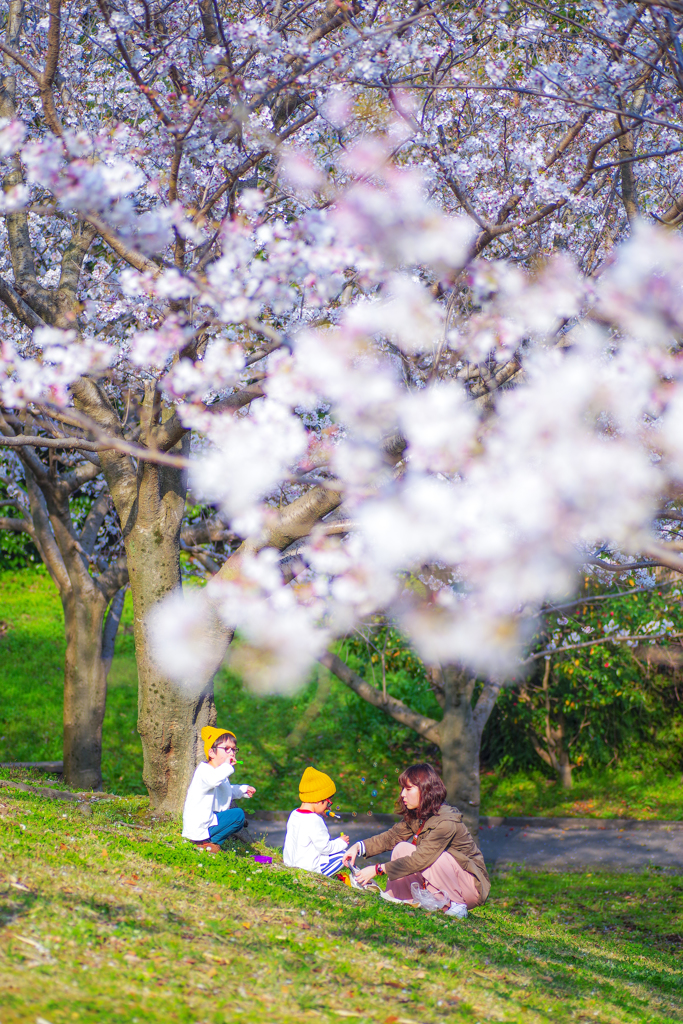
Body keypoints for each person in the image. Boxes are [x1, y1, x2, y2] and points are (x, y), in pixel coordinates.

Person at [343, 763, 490, 917]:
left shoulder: (446, 822)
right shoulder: (419, 815)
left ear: (425, 790)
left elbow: (421, 859)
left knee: (433, 856)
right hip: (445, 878)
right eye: (402, 789)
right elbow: (391, 837)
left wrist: (377, 869)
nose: (402, 795)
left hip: (469, 887)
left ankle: (454, 905)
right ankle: (397, 899)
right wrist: (358, 847)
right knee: (401, 848)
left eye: (408, 789)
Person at [182, 726, 255, 853]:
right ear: (211, 753)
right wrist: (227, 766)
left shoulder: (219, 773)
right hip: (199, 825)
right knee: (238, 814)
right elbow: (213, 781)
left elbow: (226, 790)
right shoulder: (204, 771)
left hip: (209, 821)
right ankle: (202, 841)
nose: (231, 753)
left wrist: (243, 790)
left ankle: (208, 843)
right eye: (226, 749)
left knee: (237, 818)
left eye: (233, 750)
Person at [283, 766, 350, 876]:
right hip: (307, 869)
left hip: (291, 864)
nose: (328, 807)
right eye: (328, 803)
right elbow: (325, 848)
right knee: (343, 855)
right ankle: (321, 876)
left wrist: (320, 812)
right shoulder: (314, 820)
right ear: (319, 800)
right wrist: (341, 842)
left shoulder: (294, 814)